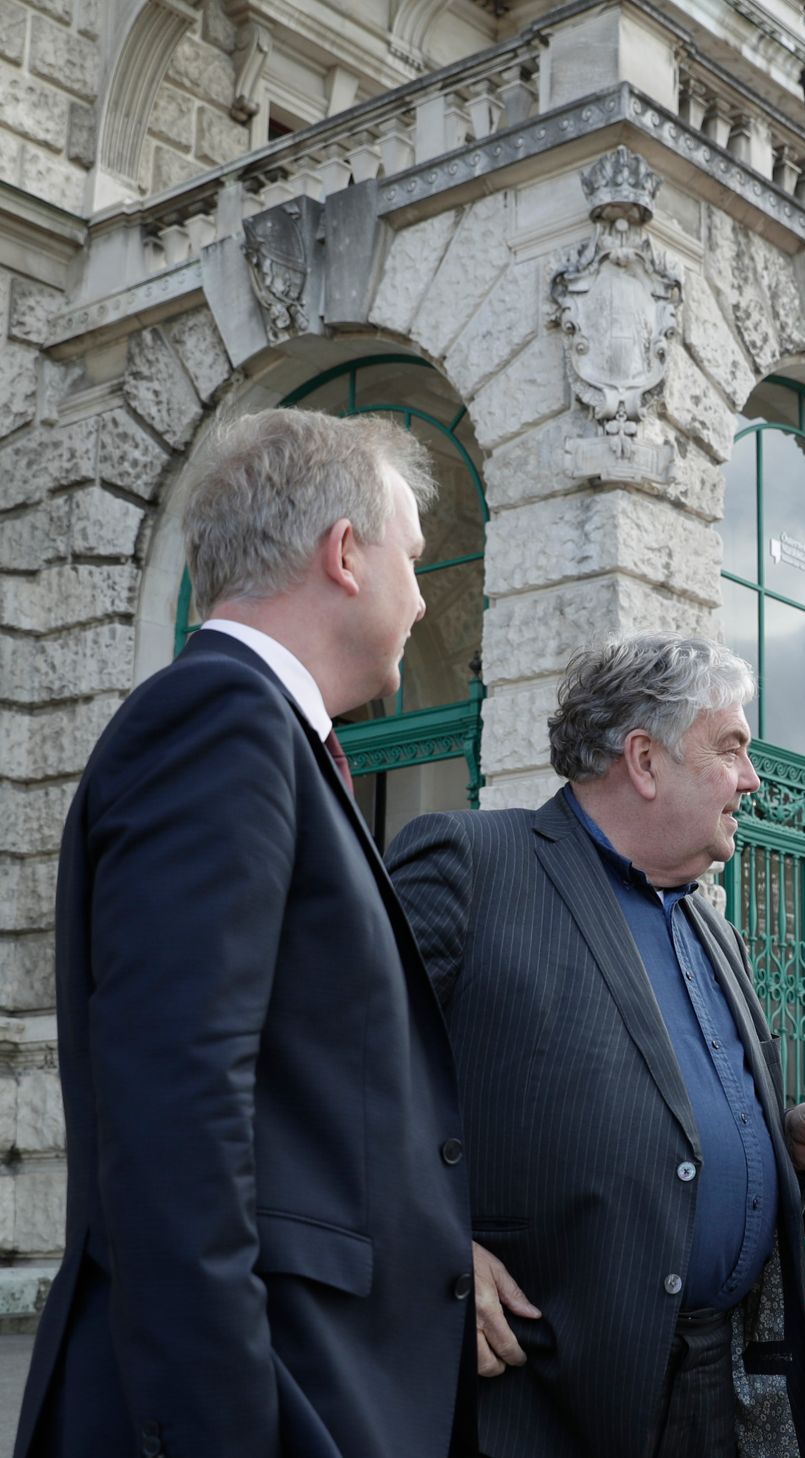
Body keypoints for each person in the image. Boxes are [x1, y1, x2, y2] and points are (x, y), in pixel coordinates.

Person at [14, 410, 476, 1457]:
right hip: (261, 1397)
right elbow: (175, 1111)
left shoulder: (258, 732)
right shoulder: (221, 718)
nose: (418, 595)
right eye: (411, 557)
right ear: (344, 555)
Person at [388, 634, 805, 1458]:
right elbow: (338, 1081)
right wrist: (426, 1248)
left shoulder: (715, 928)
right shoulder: (472, 864)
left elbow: (677, 1118)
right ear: (644, 761)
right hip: (544, 1388)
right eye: (731, 749)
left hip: (719, 1384)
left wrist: (782, 1144)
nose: (751, 779)